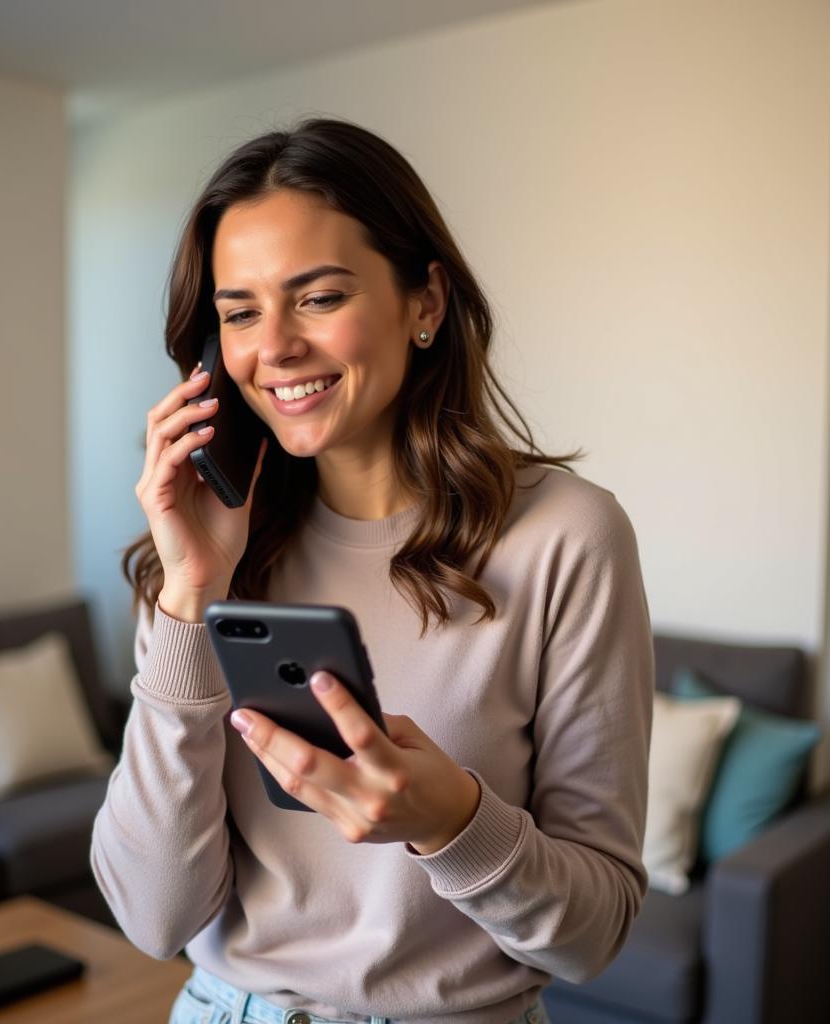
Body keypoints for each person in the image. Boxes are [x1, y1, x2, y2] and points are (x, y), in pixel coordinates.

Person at [90, 117, 653, 1024]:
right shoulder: (201, 557)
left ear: (425, 303)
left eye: (317, 297)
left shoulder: (565, 537)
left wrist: (453, 823)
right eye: (239, 312)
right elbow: (153, 919)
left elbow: (594, 935)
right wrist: (190, 598)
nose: (272, 347)